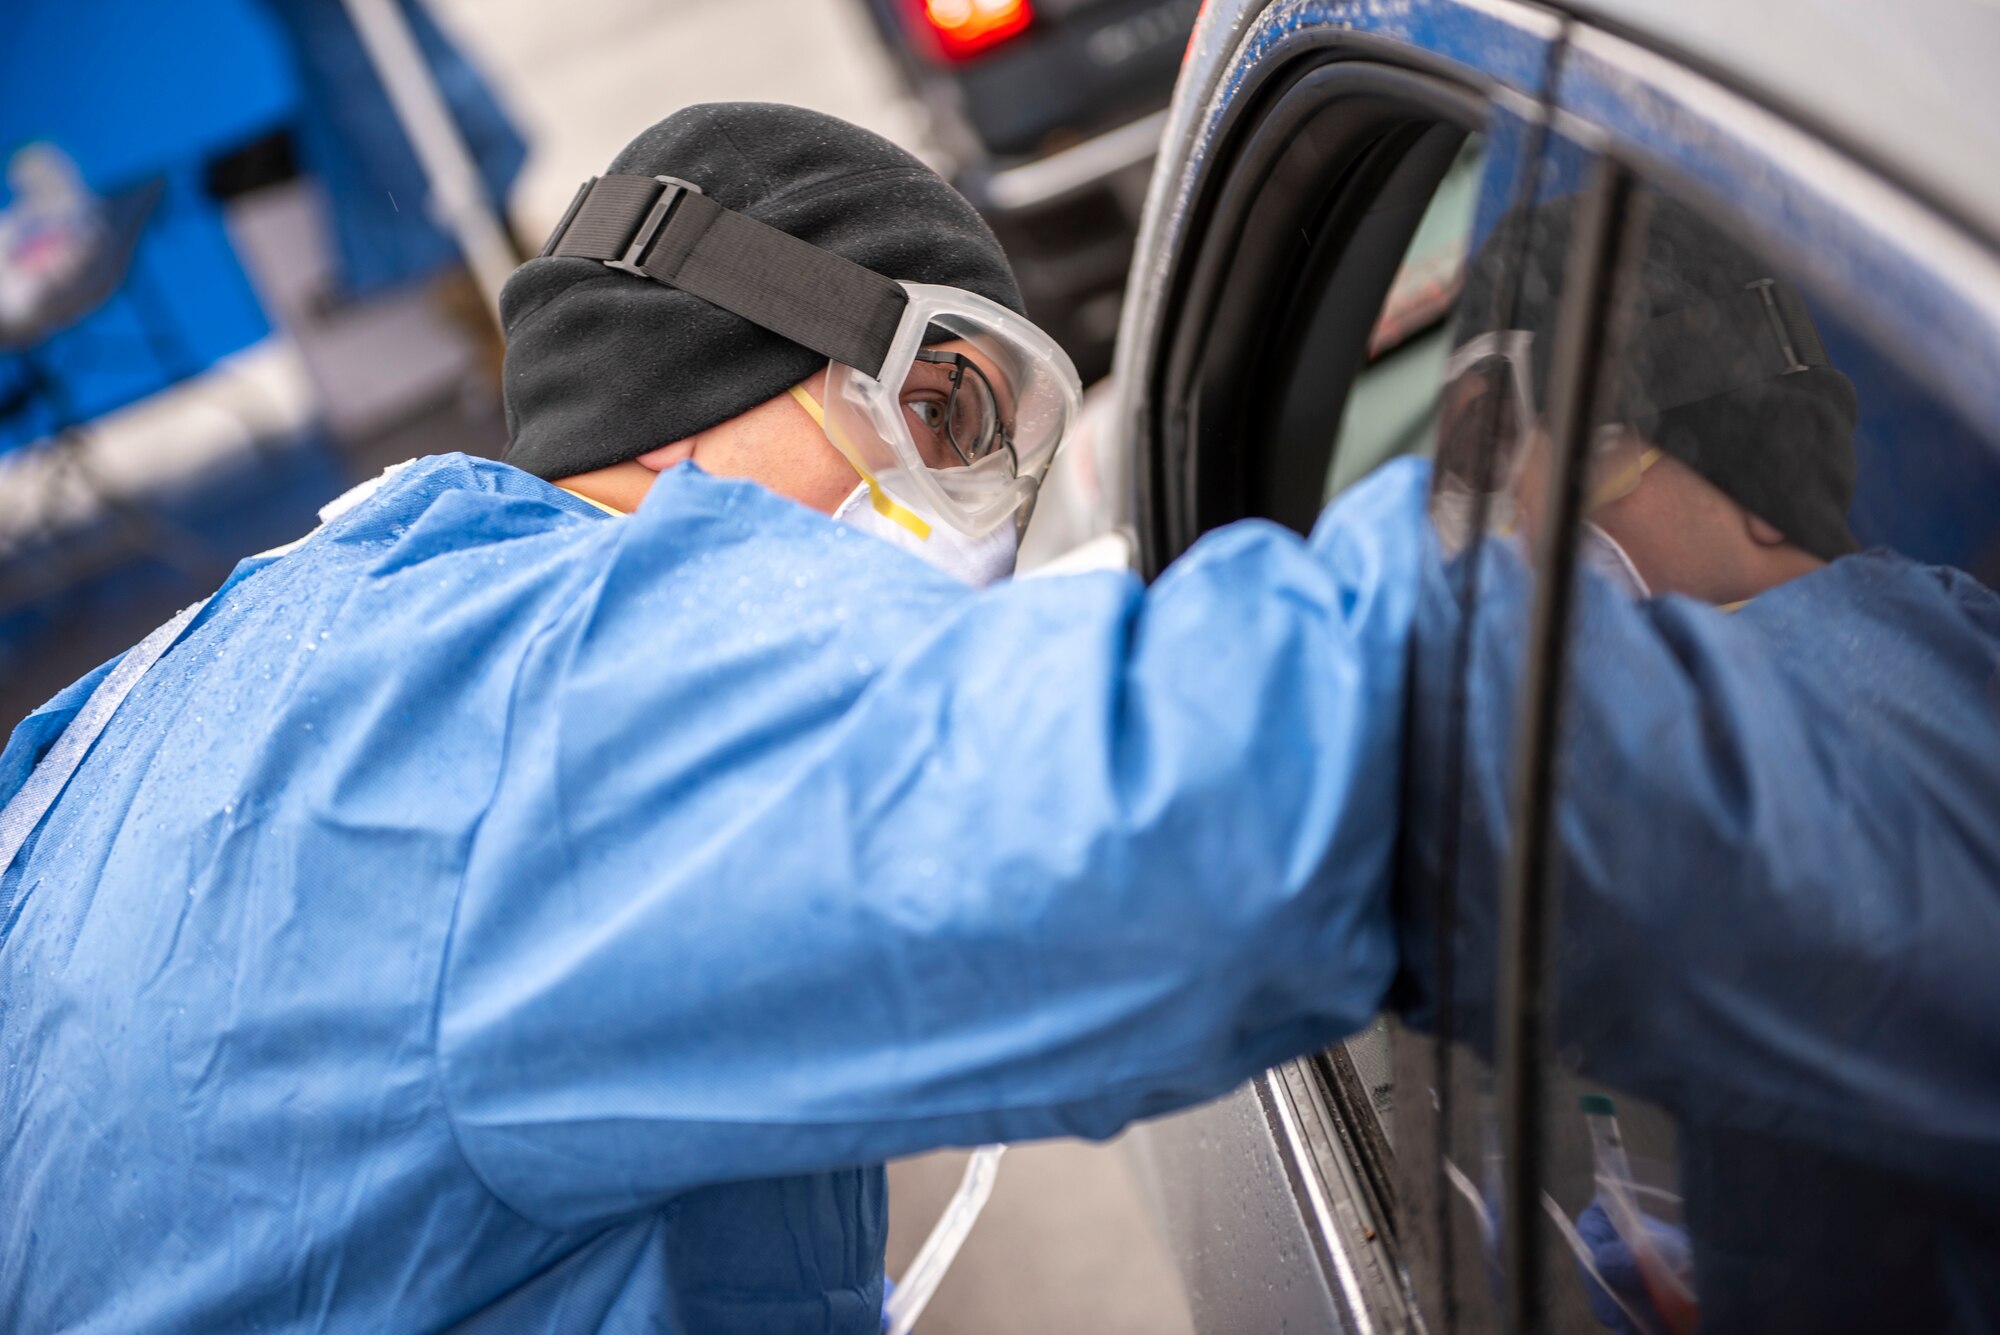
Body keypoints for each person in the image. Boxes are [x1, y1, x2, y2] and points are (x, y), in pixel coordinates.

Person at [0, 102, 1434, 1333]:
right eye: (942, 409)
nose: (967, 520)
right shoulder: (581, 685)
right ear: (698, 367)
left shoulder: (195, 671)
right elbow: (1225, 806)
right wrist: (1573, 546)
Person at [1403, 191, 2000, 1331]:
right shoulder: (1956, 631)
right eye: (1483, 463)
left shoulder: (1704, 797)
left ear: (1753, 471)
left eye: (1571, 443)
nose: (1519, 525)